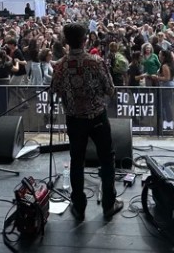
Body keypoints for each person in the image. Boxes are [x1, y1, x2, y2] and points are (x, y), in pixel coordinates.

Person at [51, 22, 123, 221]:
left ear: (66, 41)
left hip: (74, 119)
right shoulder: (96, 62)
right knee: (107, 159)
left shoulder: (60, 65)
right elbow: (110, 90)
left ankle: (79, 206)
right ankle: (109, 204)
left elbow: (54, 90)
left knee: (76, 161)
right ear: (85, 40)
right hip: (97, 117)